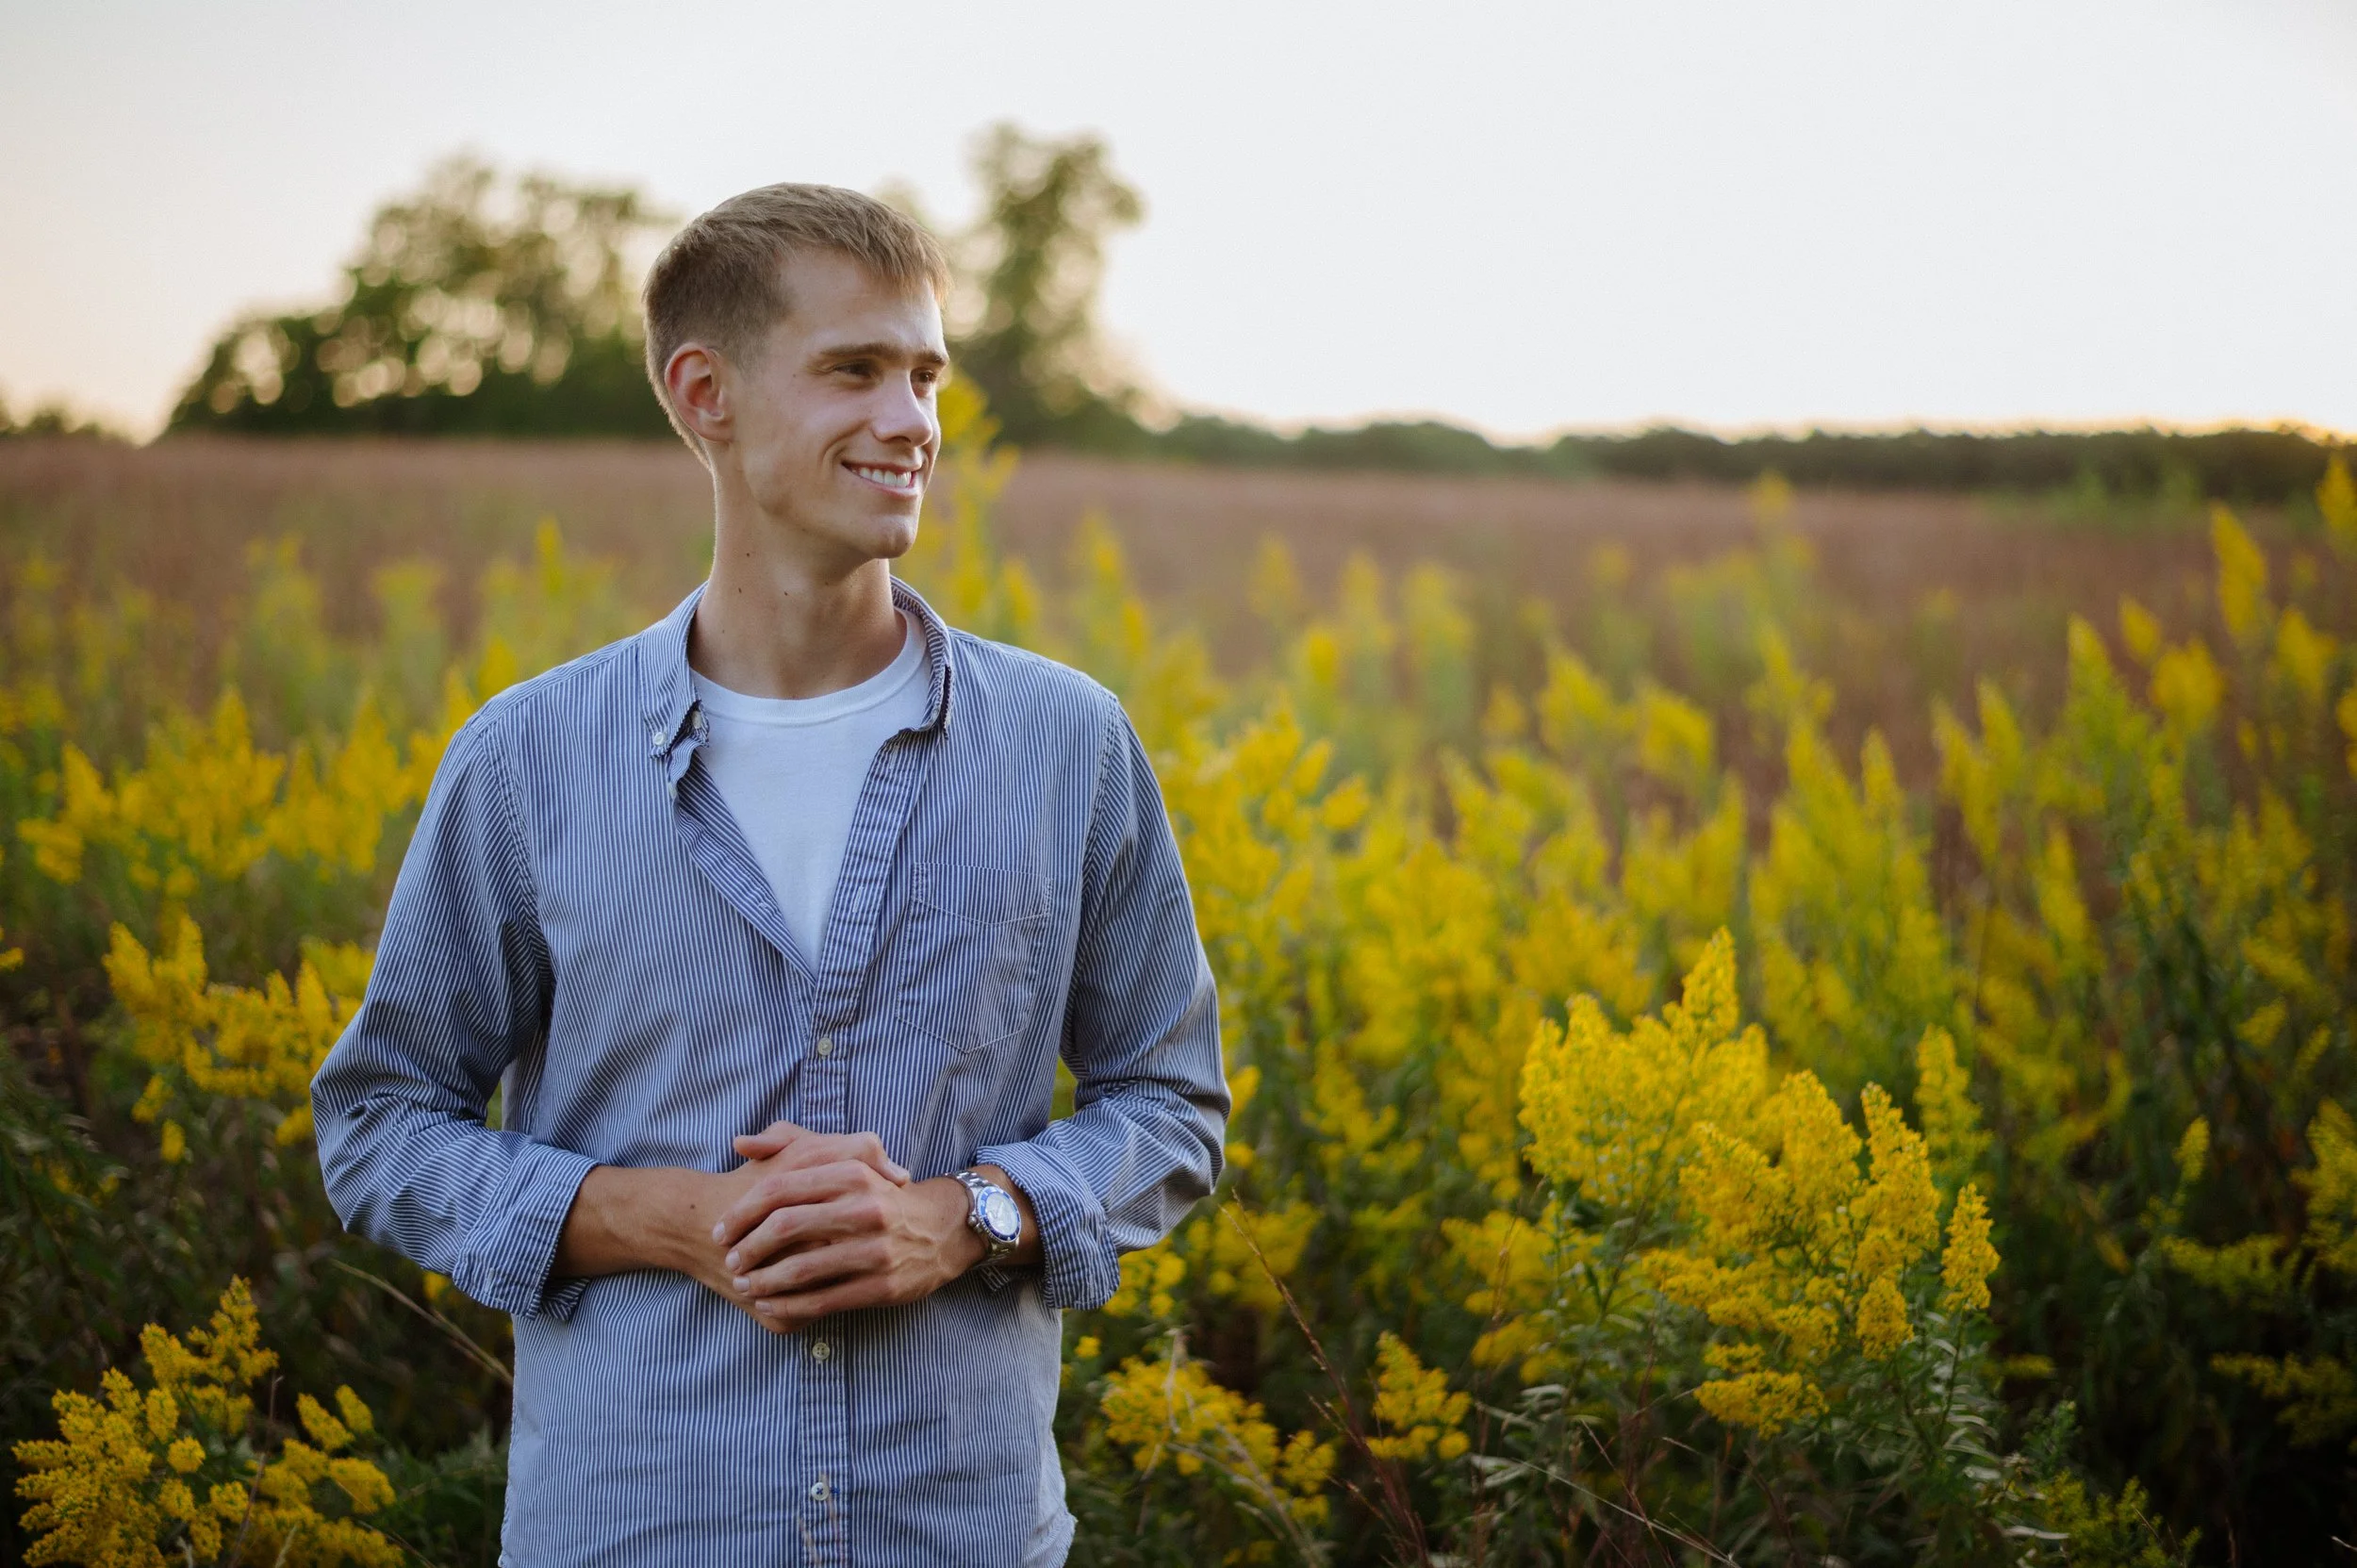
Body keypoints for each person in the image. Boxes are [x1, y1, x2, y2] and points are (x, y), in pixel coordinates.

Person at [311, 183, 1228, 1567]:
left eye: (924, 373)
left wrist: (961, 1216)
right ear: (706, 396)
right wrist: (661, 1219)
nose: (913, 420)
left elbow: (1171, 1100)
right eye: (853, 369)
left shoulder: (1065, 744)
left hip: (957, 1533)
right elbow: (379, 1118)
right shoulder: (527, 758)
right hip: (631, 1531)